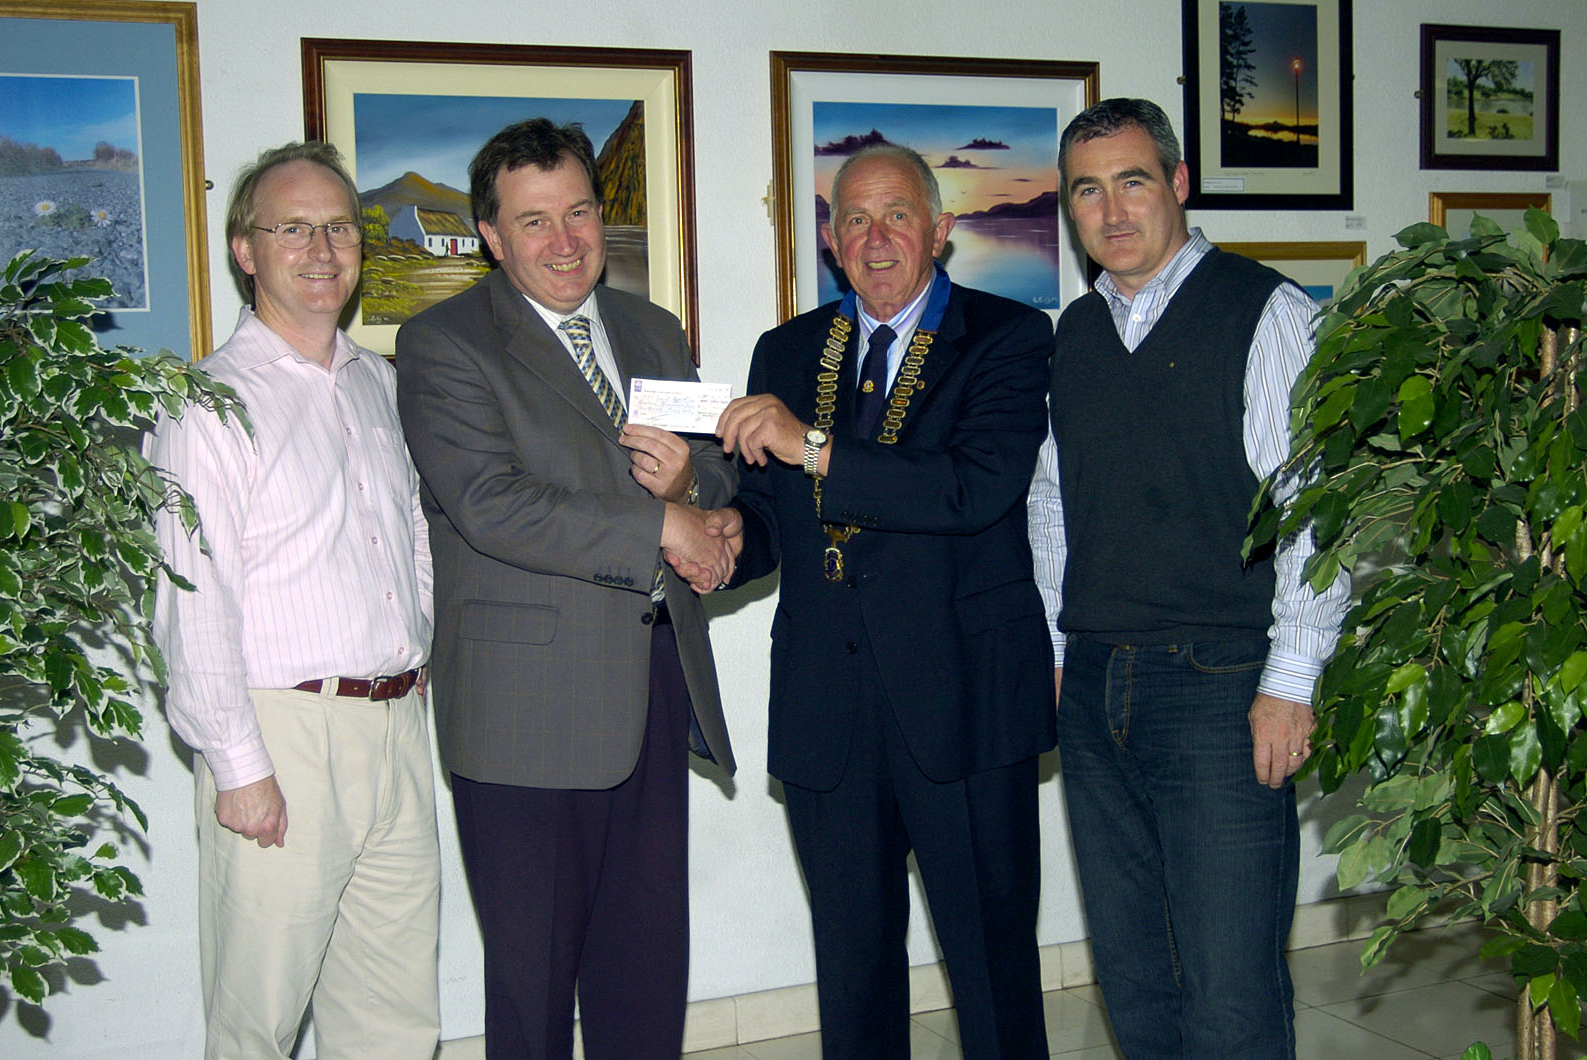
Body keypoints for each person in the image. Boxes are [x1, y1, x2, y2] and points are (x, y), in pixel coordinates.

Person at [690, 142, 1056, 1059]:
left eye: (898, 215)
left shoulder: (1009, 338)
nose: (876, 236)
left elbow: (971, 489)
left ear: (941, 229)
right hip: (828, 711)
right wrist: (729, 543)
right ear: (832, 241)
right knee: (852, 978)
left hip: (964, 704)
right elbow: (772, 518)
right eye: (854, 218)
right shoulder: (788, 349)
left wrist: (811, 445)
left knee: (993, 973)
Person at [394, 117, 737, 1060]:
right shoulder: (442, 344)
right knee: (534, 996)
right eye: (534, 221)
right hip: (523, 714)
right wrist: (662, 524)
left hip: (654, 686)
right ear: (493, 238)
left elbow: (710, 470)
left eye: (579, 211)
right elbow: (491, 503)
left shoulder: (653, 329)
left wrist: (701, 501)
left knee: (645, 974)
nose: (565, 241)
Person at [1028, 97, 1351, 1059]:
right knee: (1135, 978)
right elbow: (1053, 502)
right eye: (1089, 190)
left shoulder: (1266, 310)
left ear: (1177, 183)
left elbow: (1314, 507)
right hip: (1092, 685)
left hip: (1219, 687)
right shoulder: (1074, 334)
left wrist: (1290, 682)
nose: (1112, 211)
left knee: (1229, 989)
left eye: (1133, 181)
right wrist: (1053, 648)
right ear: (1070, 208)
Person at [149, 141, 439, 1060]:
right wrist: (239, 766)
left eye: (340, 228)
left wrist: (415, 641)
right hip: (283, 738)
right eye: (293, 229)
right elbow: (190, 599)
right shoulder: (206, 404)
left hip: (394, 727)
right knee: (258, 1023)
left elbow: (414, 540)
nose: (323, 250)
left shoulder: (380, 386)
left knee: (394, 1020)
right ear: (245, 249)